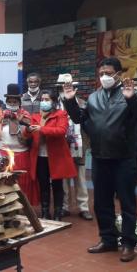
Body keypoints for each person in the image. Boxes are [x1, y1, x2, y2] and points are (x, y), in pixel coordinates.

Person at [63, 57, 137, 263]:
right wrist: (70, 102)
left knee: (127, 203)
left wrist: (131, 99)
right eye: (101, 73)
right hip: (100, 157)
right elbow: (79, 119)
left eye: (109, 73)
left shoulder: (130, 95)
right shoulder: (94, 97)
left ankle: (128, 243)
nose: (104, 77)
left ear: (118, 74)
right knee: (101, 203)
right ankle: (108, 239)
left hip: (123, 159)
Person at [26, 89, 76, 220]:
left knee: (57, 185)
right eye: (42, 100)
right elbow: (27, 135)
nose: (44, 102)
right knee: (43, 185)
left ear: (53, 101)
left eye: (47, 99)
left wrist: (42, 129)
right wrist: (27, 129)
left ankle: (58, 213)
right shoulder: (35, 116)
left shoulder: (61, 114)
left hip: (56, 157)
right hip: (40, 156)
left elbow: (61, 131)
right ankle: (44, 212)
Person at [56, 74, 93, 221]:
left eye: (68, 85)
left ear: (74, 88)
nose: (64, 89)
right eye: (61, 86)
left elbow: (88, 125)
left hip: (79, 146)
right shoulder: (54, 105)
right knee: (63, 179)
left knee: (81, 178)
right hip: (60, 146)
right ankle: (65, 207)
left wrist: (87, 144)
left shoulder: (83, 104)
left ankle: (83, 208)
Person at [0, 84, 38, 206]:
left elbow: (28, 135)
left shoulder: (25, 115)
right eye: (10, 101)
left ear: (19, 102)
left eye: (15, 101)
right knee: (3, 183)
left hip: (21, 155)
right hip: (2, 153)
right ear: (6, 101)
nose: (12, 103)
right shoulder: (0, 114)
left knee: (21, 184)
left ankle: (22, 209)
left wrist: (20, 122)